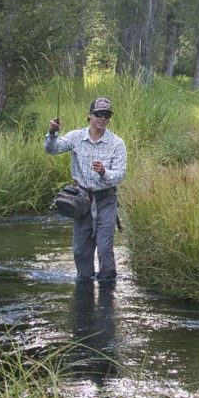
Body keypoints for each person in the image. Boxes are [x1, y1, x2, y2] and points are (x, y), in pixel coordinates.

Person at [46, 97, 127, 286]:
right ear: (89, 115)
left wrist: (104, 172)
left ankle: (108, 287)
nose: (103, 118)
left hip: (106, 200)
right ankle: (84, 284)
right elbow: (52, 149)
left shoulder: (117, 143)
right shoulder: (75, 137)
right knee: (81, 251)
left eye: (107, 115)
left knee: (105, 248)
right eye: (99, 114)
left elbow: (121, 174)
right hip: (81, 201)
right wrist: (52, 133)